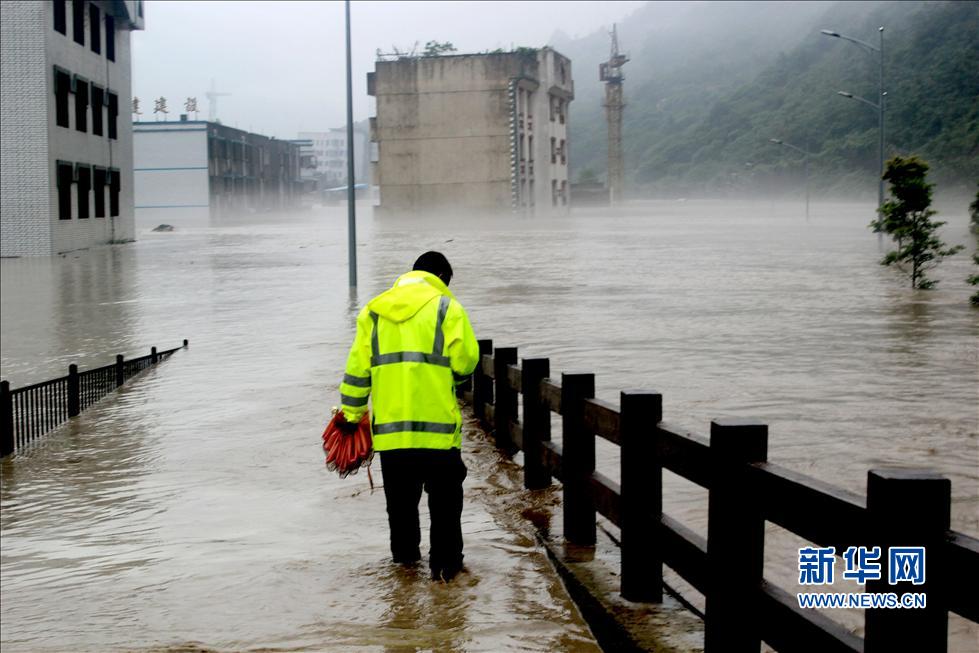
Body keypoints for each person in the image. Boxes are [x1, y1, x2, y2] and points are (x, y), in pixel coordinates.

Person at [338, 251, 479, 581]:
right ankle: (445, 574)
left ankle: (404, 576)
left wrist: (350, 415)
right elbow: (466, 363)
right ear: (442, 279)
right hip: (438, 434)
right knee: (445, 507)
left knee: (400, 508)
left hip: (392, 435)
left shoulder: (373, 312)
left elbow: (357, 372)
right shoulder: (448, 309)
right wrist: (449, 380)